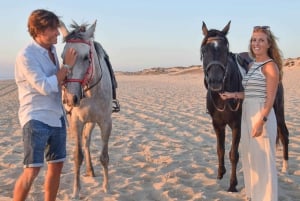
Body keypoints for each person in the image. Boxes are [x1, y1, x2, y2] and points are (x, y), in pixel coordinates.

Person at [13, 9, 77, 201]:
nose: (58, 33)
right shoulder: (27, 55)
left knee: (57, 166)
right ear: (39, 30)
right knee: (32, 170)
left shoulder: (52, 51)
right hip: (35, 117)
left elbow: (56, 84)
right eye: (53, 29)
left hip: (57, 117)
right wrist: (66, 67)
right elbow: (44, 86)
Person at [219, 26, 282, 201]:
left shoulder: (270, 67)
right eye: (254, 40)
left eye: (261, 40)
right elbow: (252, 92)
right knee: (250, 157)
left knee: (263, 161)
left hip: (261, 114)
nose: (257, 43)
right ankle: (254, 195)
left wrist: (261, 121)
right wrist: (233, 95)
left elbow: (270, 98)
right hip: (247, 112)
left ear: (269, 44)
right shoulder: (253, 64)